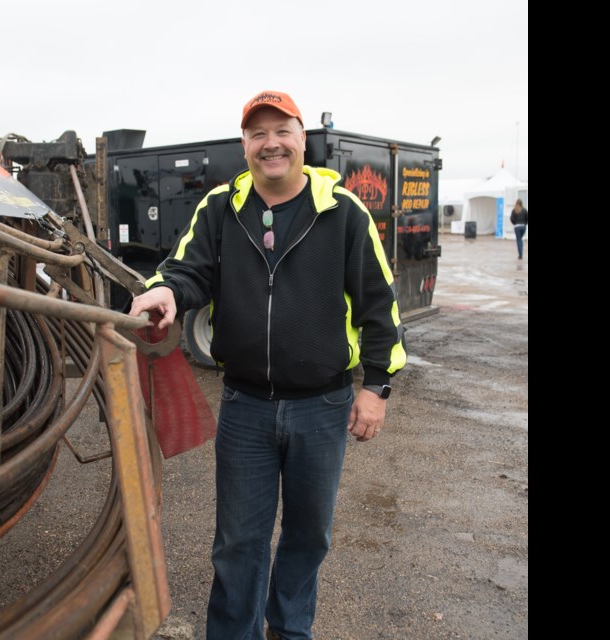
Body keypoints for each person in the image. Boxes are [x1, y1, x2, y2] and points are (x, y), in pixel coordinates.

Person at [128, 90, 406, 640]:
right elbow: (187, 269)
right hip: (246, 405)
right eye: (258, 134)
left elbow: (381, 306)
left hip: (322, 406)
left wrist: (376, 386)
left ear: (303, 139)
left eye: (282, 131)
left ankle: (290, 630)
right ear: (245, 145)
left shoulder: (343, 213)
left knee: (308, 537)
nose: (270, 143)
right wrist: (165, 294)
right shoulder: (220, 208)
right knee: (238, 541)